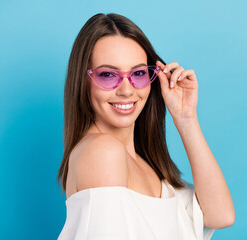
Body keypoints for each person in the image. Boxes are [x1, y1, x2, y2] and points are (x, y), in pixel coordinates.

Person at [56, 13, 235, 240]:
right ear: (83, 81)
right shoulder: (102, 152)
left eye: (138, 73)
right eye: (108, 74)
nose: (126, 90)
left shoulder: (149, 164)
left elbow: (220, 215)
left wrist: (185, 117)